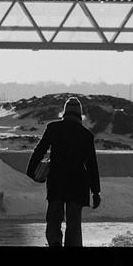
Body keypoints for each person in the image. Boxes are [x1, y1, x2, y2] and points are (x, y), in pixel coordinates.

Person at [26, 97, 101, 247]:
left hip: (56, 181)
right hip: (78, 184)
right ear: (80, 114)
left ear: (65, 112)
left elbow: (40, 150)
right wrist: (96, 192)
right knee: (73, 224)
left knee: (54, 218)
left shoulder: (53, 128)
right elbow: (92, 165)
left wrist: (31, 170)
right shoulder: (86, 135)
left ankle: (54, 242)